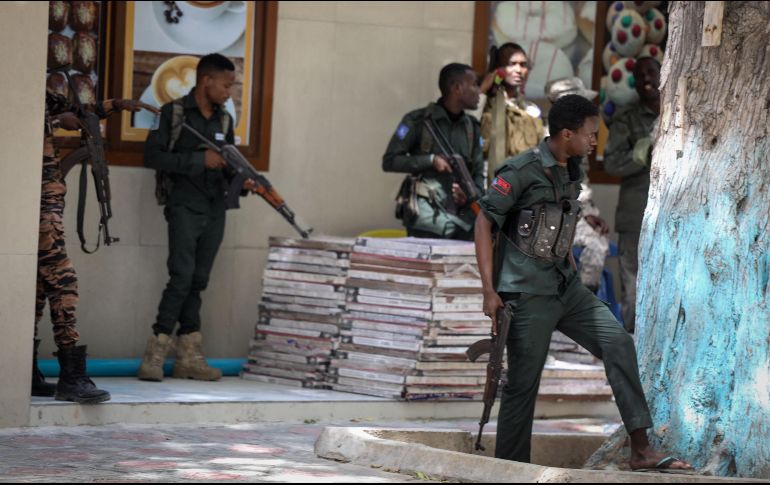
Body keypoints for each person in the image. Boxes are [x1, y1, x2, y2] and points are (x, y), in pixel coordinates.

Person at [474, 94, 692, 472]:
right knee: (523, 387)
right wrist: (489, 291)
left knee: (619, 342)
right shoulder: (520, 171)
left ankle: (641, 449)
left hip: (565, 287)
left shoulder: (572, 168)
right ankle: (510, 471)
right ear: (566, 133)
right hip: (525, 293)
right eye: (591, 134)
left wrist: (568, 256)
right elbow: (483, 223)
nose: (595, 142)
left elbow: (564, 216)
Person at [34, 89, 158, 403]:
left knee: (37, 289)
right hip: (38, 212)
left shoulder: (40, 93)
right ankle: (72, 376)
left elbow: (79, 110)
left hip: (48, 207)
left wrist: (116, 105)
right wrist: (56, 119)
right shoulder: (23, 91)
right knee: (64, 283)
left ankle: (28, 371)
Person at [141, 53, 257, 382]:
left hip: (215, 208)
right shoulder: (173, 112)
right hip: (183, 205)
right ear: (206, 80)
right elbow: (153, 156)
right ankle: (156, 350)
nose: (229, 92)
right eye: (226, 85)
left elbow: (228, 161)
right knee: (181, 276)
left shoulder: (224, 120)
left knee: (198, 281)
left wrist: (242, 180)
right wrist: (198, 160)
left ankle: (188, 356)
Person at [382, 63, 483, 240]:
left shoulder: (473, 128)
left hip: (465, 222)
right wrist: (430, 160)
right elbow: (390, 161)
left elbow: (478, 173)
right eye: (474, 84)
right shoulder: (416, 121)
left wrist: (469, 195)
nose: (478, 91)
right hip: (428, 220)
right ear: (457, 88)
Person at [603, 57, 661, 333]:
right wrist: (642, 154)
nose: (647, 79)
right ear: (635, 83)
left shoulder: (683, 110)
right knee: (634, 293)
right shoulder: (626, 117)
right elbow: (611, 163)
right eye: (641, 75)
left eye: (652, 72)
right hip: (637, 215)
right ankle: (632, 362)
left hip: (678, 216)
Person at [545, 77, 610, 293]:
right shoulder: (555, 138)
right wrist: (583, 212)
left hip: (572, 209)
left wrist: (589, 211)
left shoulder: (578, 137)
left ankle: (583, 301)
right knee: (594, 245)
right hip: (551, 212)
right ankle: (579, 303)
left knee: (598, 241)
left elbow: (580, 181)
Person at [478, 42, 544, 184]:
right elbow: (469, 121)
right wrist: (484, 88)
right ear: (499, 69)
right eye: (512, 64)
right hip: (489, 184)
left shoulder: (531, 110)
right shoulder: (485, 104)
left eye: (523, 65)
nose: (518, 70)